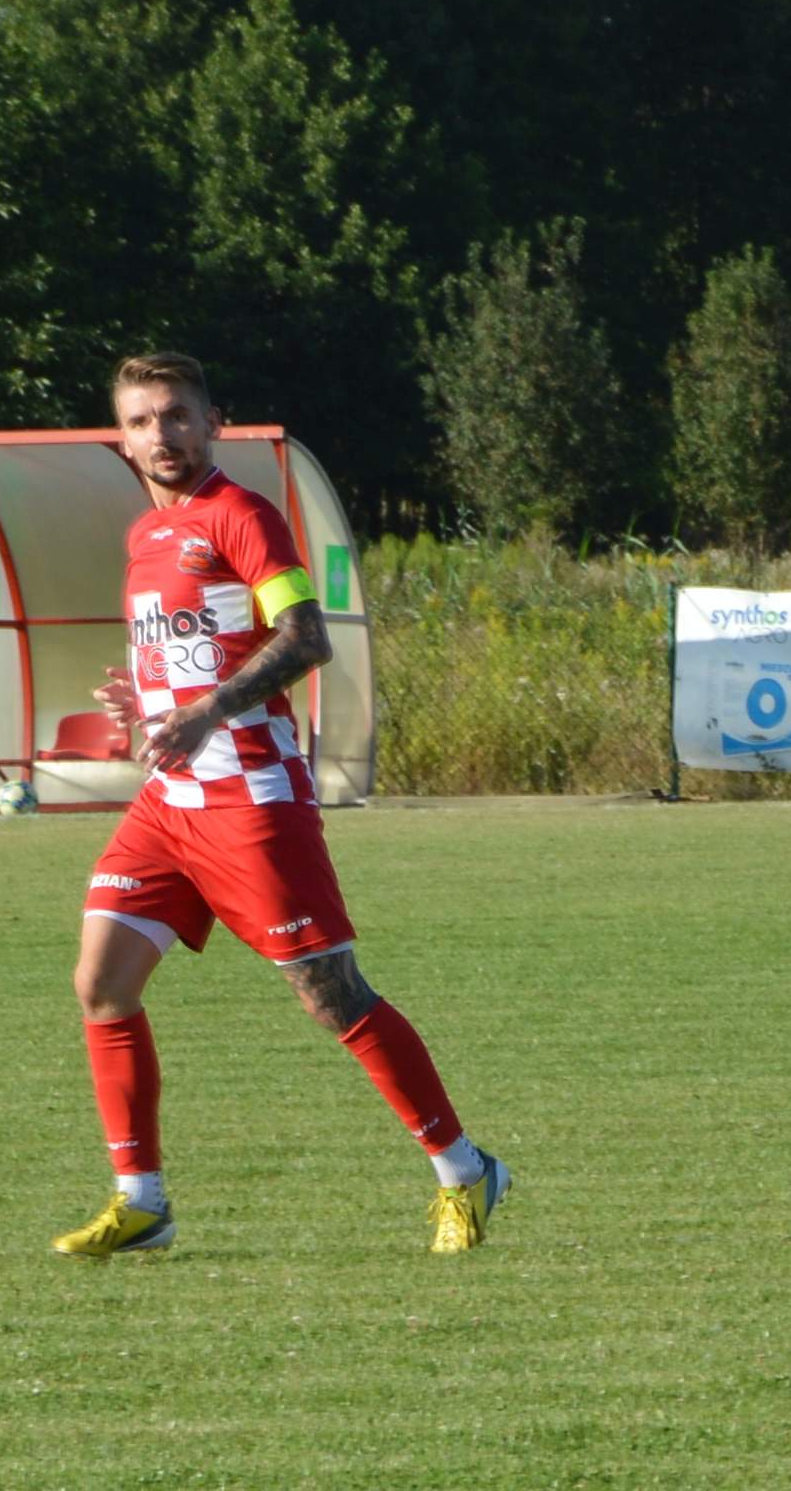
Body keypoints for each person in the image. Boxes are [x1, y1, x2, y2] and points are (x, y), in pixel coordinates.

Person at [53, 352, 506, 1258]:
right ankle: (141, 1202)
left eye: (177, 415)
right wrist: (145, 709)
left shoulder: (242, 516)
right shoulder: (146, 539)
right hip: (170, 804)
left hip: (251, 800)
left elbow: (305, 639)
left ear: (212, 421)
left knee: (331, 996)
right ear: (122, 438)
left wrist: (203, 713)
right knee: (101, 983)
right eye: (142, 421)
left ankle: (464, 1169)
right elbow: (201, 654)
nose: (161, 435)